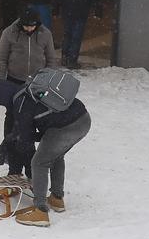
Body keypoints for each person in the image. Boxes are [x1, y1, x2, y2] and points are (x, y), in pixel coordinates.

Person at [9, 68, 92, 226]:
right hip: (83, 118)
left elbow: (26, 139)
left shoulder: (20, 102)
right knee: (56, 156)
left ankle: (40, 211)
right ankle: (56, 198)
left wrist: (13, 145)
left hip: (65, 126)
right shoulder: (34, 87)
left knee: (39, 162)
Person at [0, 8, 57, 136]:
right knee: (12, 112)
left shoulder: (45, 34)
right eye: (26, 26)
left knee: (32, 113)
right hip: (14, 80)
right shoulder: (9, 33)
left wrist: (49, 81)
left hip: (36, 82)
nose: (29, 29)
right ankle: (8, 140)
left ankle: (27, 141)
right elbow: (2, 59)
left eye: (32, 26)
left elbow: (51, 59)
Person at [55, 0, 98, 69]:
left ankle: (65, 56)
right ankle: (72, 60)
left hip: (67, 12)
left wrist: (56, 10)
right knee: (76, 37)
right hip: (80, 13)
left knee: (67, 34)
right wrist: (97, 10)